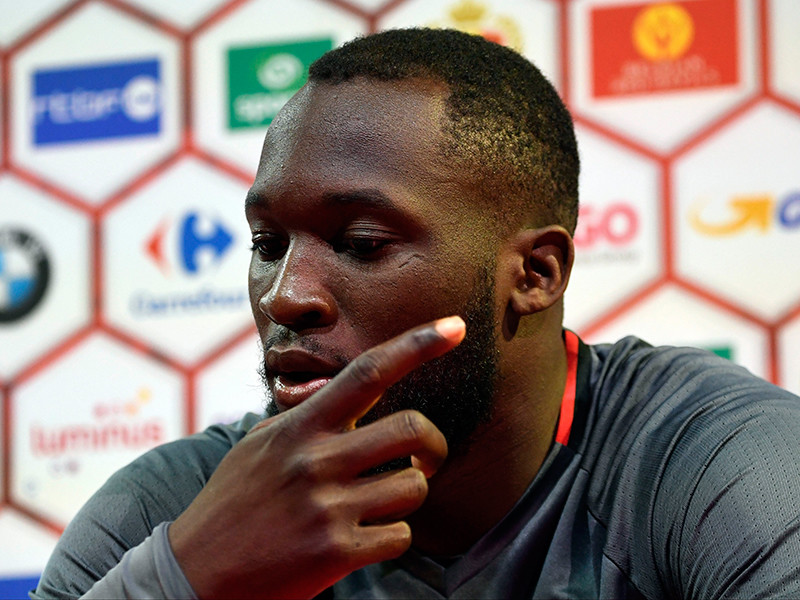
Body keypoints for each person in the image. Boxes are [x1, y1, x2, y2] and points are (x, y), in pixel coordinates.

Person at [32, 28, 800, 599]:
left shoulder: (713, 462)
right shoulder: (175, 509)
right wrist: (182, 579)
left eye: (362, 242)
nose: (285, 295)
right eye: (268, 243)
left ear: (535, 274)